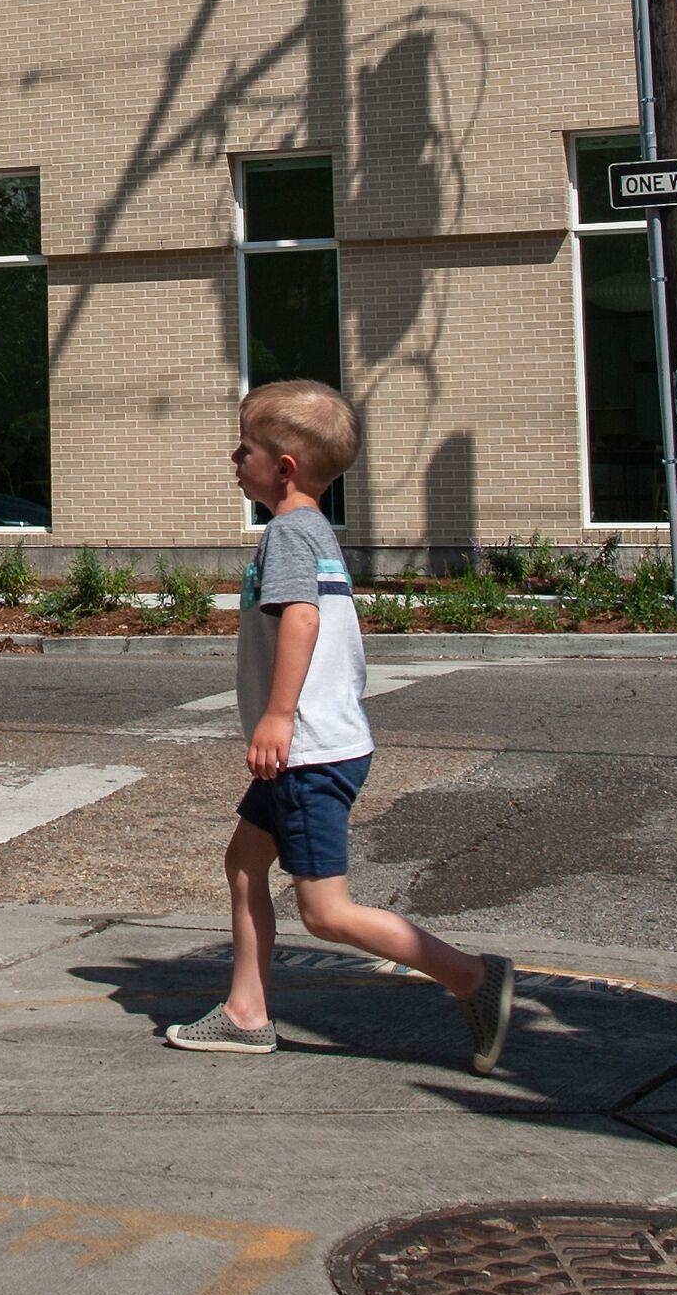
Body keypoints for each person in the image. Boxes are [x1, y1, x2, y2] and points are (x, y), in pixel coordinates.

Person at [163, 380, 520, 1070]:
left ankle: (473, 977)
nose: (234, 458)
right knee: (244, 864)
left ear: (285, 466)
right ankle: (246, 1012)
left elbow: (301, 618)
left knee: (326, 911)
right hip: (310, 747)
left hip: (307, 751)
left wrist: (275, 715)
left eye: (246, 448)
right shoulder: (312, 528)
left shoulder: (291, 532)